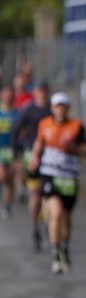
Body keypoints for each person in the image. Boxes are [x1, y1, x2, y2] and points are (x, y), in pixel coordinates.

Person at [29, 92, 86, 274]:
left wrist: (74, 147)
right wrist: (35, 157)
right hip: (49, 173)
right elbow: (39, 142)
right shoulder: (44, 124)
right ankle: (55, 254)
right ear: (52, 108)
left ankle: (64, 246)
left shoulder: (76, 126)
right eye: (57, 106)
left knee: (65, 216)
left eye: (63, 106)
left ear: (68, 108)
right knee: (55, 213)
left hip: (69, 176)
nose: (60, 110)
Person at [11, 82, 51, 248]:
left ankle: (48, 224)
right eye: (40, 91)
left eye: (45, 91)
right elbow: (15, 130)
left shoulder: (53, 109)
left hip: (50, 157)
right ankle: (35, 228)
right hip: (31, 156)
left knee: (47, 195)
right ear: (35, 92)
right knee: (35, 194)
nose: (42, 94)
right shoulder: (28, 110)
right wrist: (17, 154)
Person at [0, 84, 16, 218]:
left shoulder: (17, 113)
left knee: (10, 179)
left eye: (10, 94)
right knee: (2, 175)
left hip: (11, 150)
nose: (8, 96)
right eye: (5, 93)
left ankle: (7, 205)